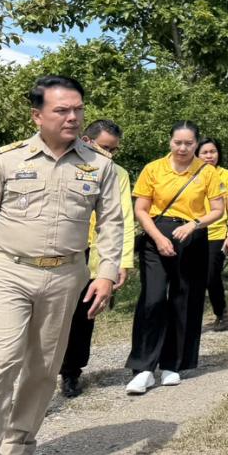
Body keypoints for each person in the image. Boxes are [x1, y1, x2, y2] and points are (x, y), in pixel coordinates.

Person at [0, 75, 124, 455]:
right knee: (0, 359)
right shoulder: (7, 160)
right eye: (62, 110)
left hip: (66, 276)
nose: (73, 116)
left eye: (77, 108)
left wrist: (106, 272)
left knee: (44, 366)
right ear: (37, 115)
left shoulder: (100, 165)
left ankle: (19, 447)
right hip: (9, 270)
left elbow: (113, 224)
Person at [125, 121, 224, 394]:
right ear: (169, 142)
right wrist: (158, 238)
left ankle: (173, 364)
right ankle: (143, 367)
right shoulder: (153, 169)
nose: (182, 148)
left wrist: (194, 224)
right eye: (177, 142)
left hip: (192, 236)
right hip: (157, 234)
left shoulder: (207, 172)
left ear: (196, 144)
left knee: (185, 299)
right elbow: (141, 209)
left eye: (189, 143)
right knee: (153, 298)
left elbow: (217, 209)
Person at [59, 119, 136, 398]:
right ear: (87, 140)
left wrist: (121, 261)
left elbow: (124, 218)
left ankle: (71, 373)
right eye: (105, 148)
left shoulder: (119, 174)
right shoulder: (65, 165)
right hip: (63, 250)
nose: (109, 155)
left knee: (83, 315)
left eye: (114, 150)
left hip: (97, 254)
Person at [196, 138, 228, 332]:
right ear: (196, 154)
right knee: (191, 277)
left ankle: (221, 313)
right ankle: (190, 318)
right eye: (204, 152)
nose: (209, 156)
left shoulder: (227, 176)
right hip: (193, 232)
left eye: (212, 151)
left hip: (217, 233)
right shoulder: (190, 175)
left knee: (211, 276)